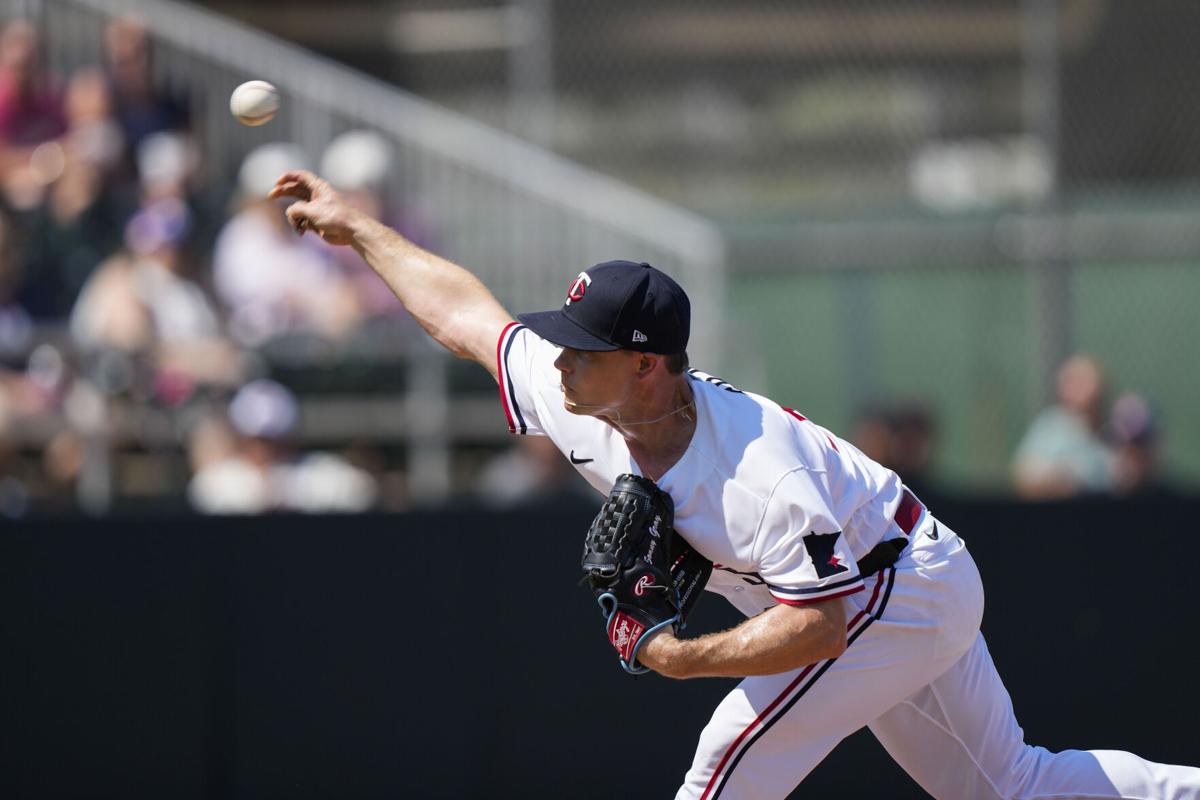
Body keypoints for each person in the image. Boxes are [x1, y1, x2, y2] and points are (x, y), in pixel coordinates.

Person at [269, 170, 1200, 799]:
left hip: (888, 590)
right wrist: (358, 230)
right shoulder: (586, 400)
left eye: (587, 349)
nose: (562, 361)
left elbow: (822, 627)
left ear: (648, 367)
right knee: (1014, 789)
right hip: (890, 570)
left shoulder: (758, 471)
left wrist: (677, 655)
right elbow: (468, 319)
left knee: (728, 755)